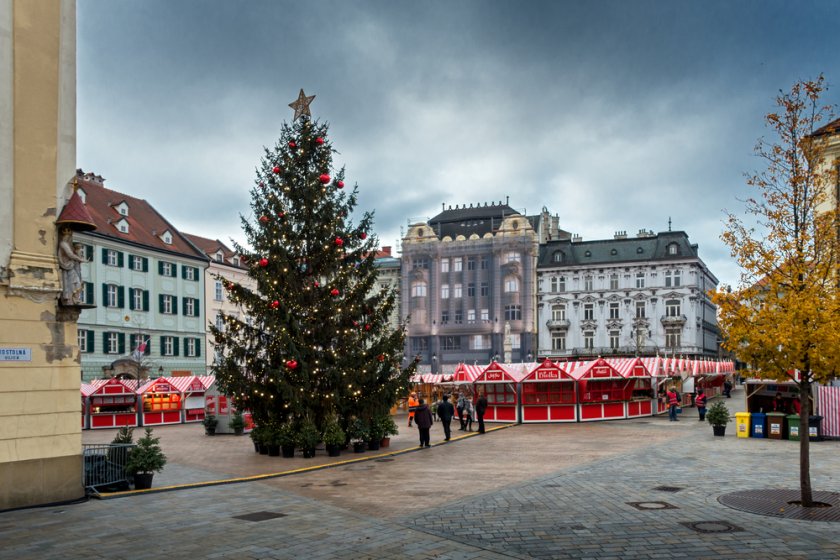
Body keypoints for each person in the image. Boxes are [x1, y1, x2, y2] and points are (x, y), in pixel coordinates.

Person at [57, 228, 86, 305]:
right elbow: (70, 254)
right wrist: (80, 259)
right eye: (68, 236)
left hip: (69, 265)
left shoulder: (66, 244)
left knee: (76, 282)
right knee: (73, 282)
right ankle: (70, 299)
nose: (68, 238)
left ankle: (75, 298)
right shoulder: (63, 244)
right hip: (67, 265)